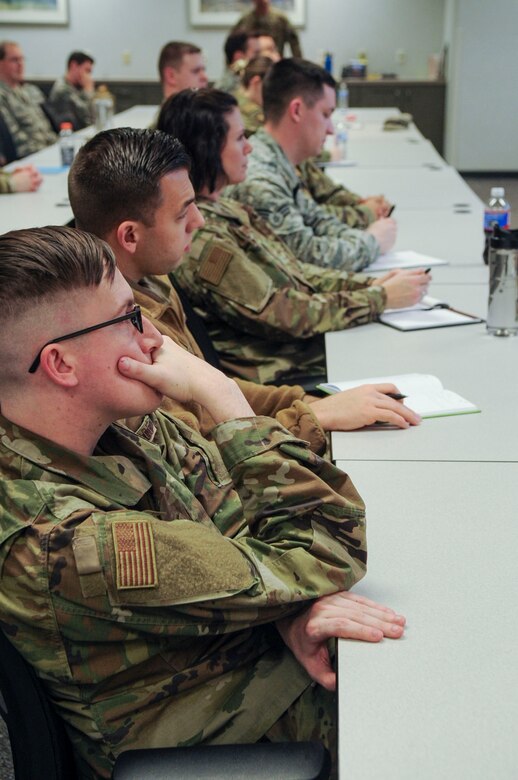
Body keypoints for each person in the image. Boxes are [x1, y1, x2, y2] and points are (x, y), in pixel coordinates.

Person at [0, 224, 406, 779]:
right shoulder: (69, 542)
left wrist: (281, 603)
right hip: (219, 732)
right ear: (61, 365)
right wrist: (223, 396)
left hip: (246, 644)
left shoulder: (116, 422)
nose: (154, 340)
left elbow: (235, 512)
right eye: (129, 318)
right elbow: (330, 545)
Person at [68, 125, 422, 430]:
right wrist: (314, 417)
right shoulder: (119, 335)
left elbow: (217, 389)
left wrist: (311, 402)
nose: (199, 221)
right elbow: (197, 452)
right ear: (130, 236)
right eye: (182, 214)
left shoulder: (151, 277)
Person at [157, 88, 430, 386]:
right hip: (284, 373)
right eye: (239, 138)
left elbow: (295, 273)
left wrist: (368, 285)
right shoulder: (204, 238)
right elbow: (280, 313)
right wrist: (379, 298)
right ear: (208, 147)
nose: (249, 148)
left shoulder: (227, 209)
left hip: (305, 352)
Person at [228, 57, 397, 271]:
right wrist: (372, 243)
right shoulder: (261, 181)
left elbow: (317, 220)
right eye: (325, 114)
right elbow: (306, 255)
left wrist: (367, 235)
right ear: (297, 111)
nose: (331, 129)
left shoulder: (278, 160)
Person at [0, 40, 57, 158]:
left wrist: (56, 146)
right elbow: (15, 141)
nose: (20, 64)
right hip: (30, 157)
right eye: (14, 60)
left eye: (22, 59)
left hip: (48, 150)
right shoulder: (2, 96)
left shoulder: (29, 91)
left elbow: (46, 127)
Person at [230, 0, 302, 58]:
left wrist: (298, 65)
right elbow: (232, 43)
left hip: (275, 65)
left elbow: (294, 42)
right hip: (252, 65)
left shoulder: (280, 19)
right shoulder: (246, 20)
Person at [47, 50, 95, 130]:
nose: (89, 77)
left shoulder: (77, 88)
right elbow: (85, 119)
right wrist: (88, 92)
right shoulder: (62, 90)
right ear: (74, 66)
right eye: (87, 71)